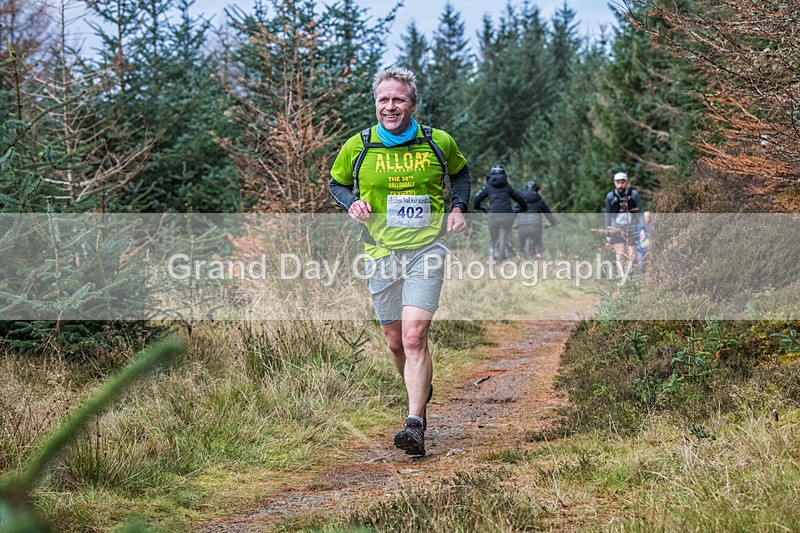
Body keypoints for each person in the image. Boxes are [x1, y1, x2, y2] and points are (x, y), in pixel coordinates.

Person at [328, 67, 471, 457]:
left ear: (412, 104)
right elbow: (336, 183)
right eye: (383, 100)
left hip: (427, 249)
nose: (390, 106)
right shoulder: (358, 146)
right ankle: (419, 389)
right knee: (394, 341)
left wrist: (458, 208)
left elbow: (460, 174)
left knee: (413, 336)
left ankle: (414, 422)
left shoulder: (437, 142)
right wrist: (351, 202)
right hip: (379, 252)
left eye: (398, 100)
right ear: (376, 104)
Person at [472, 165, 527, 261]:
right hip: (507, 215)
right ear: (504, 176)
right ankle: (509, 243)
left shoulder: (488, 187)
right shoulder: (507, 187)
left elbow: (477, 199)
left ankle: (492, 252)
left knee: (493, 238)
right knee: (508, 228)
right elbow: (519, 198)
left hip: (493, 215)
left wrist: (478, 207)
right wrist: (524, 207)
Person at [605, 172, 644, 271]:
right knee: (620, 254)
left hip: (632, 228)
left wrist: (642, 229)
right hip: (616, 228)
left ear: (626, 182)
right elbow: (608, 215)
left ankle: (629, 275)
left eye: (622, 182)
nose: (620, 185)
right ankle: (621, 277)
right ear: (614, 183)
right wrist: (608, 233)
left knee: (632, 255)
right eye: (618, 182)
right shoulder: (610, 197)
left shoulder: (634, 195)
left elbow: (640, 212)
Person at [515, 181, 556, 258]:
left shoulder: (520, 200)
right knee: (538, 244)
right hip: (536, 225)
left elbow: (514, 211)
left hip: (523, 225)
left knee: (521, 246)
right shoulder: (539, 200)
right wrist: (552, 223)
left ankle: (520, 260)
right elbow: (548, 213)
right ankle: (538, 255)